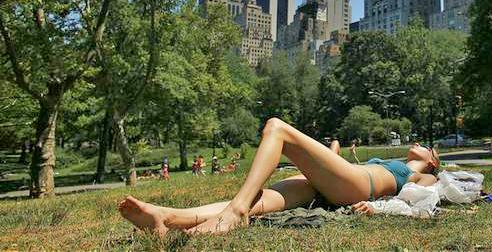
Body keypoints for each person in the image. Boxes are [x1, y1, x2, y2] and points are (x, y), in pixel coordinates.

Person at [118, 117, 440, 236]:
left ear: (431, 160)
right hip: (331, 186)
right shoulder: (396, 162)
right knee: (256, 200)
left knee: (277, 128)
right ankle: (168, 219)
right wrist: (333, 155)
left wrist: (379, 207)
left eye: (424, 147)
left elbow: (423, 201)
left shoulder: (419, 174)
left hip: (358, 187)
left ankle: (236, 213)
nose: (417, 145)